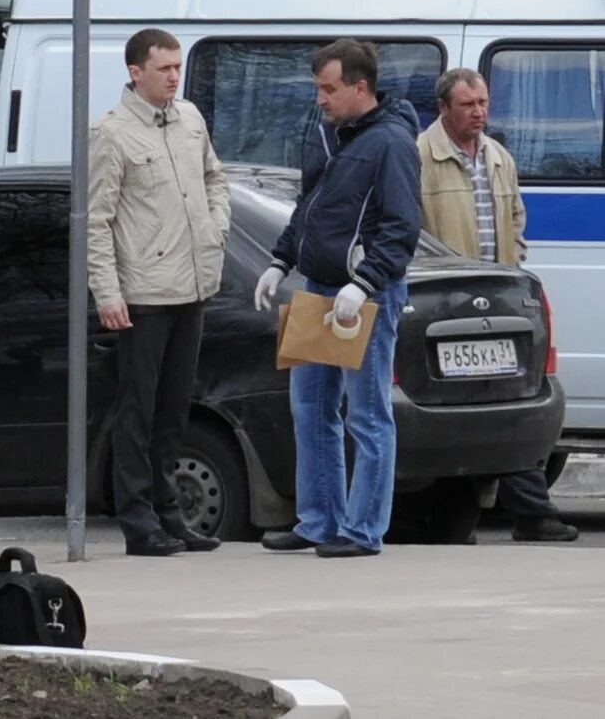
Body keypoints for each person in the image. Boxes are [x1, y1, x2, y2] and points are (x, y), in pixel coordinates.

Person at [253, 39, 421, 558]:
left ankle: (363, 528)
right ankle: (319, 521)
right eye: (317, 88)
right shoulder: (330, 133)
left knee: (367, 414)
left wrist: (365, 282)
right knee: (311, 408)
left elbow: (402, 225)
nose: (320, 99)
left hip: (361, 296)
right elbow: (311, 204)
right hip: (319, 288)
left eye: (328, 89)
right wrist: (281, 260)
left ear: (359, 86)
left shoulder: (391, 142)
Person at [417, 68, 578, 543]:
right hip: (443, 298)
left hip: (498, 294)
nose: (479, 112)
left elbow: (515, 219)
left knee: (514, 400)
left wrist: (512, 264)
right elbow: (411, 230)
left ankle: (531, 512)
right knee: (461, 406)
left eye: (483, 103)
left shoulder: (497, 156)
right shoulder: (420, 156)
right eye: (468, 105)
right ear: (444, 108)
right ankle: (454, 513)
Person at [89, 29, 231, 556]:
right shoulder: (112, 133)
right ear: (135, 72)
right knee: (138, 410)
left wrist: (216, 229)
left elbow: (216, 179)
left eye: (177, 66)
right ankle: (138, 517)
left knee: (174, 410)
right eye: (164, 67)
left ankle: (170, 514)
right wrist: (108, 291)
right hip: (143, 292)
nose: (174, 75)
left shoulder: (189, 119)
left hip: (190, 285)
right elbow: (96, 221)